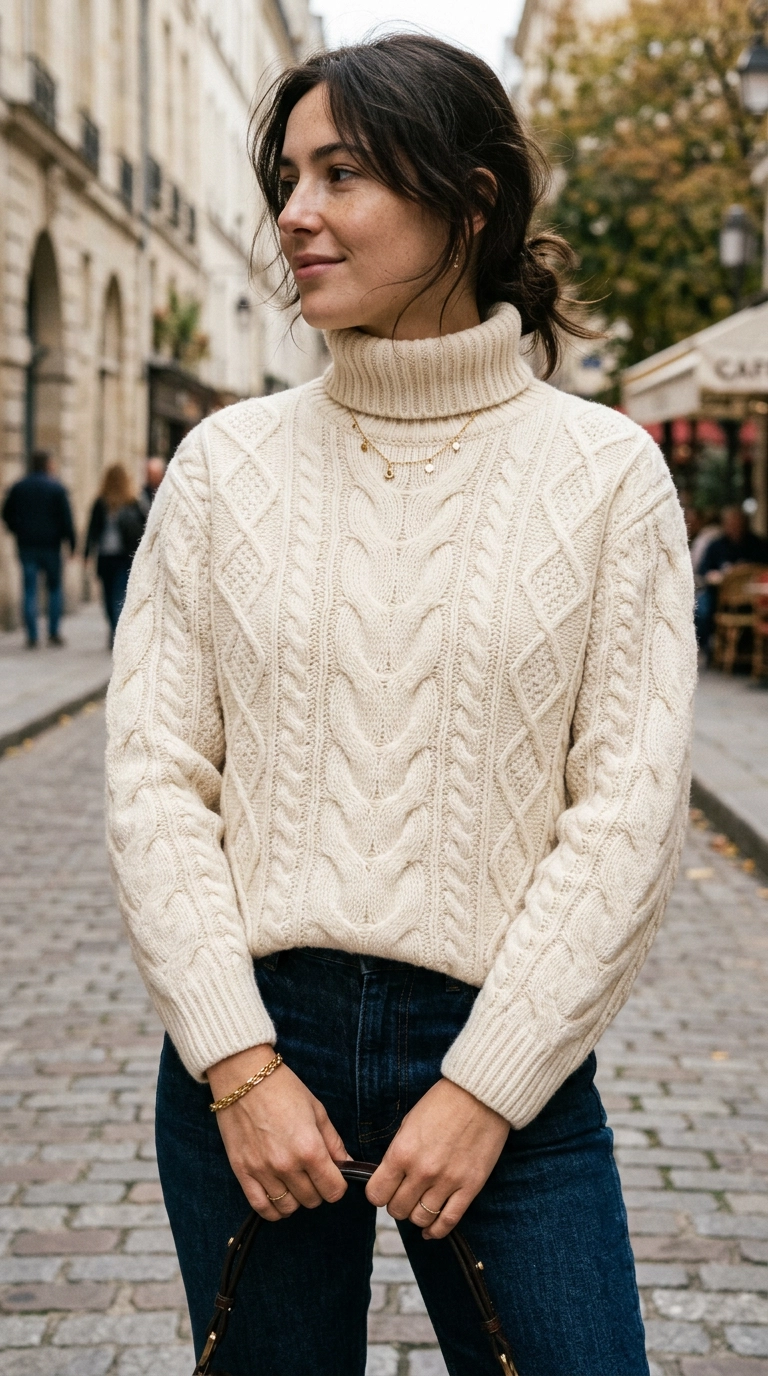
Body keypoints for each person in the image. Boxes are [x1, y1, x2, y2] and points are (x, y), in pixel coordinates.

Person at [105, 35, 696, 1376]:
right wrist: (236, 1067)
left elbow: (628, 811)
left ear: (470, 203)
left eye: (344, 174)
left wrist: (489, 1085)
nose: (294, 212)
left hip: (508, 1055)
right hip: (255, 1054)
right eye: (288, 176)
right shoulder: (221, 467)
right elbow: (153, 775)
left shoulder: (603, 478)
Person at [1, 450, 76, 648]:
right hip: (51, 546)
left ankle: (32, 634)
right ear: (48, 465)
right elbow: (67, 519)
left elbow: (6, 513)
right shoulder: (57, 488)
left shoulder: (19, 487)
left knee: (29, 589)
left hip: (27, 545)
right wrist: (72, 543)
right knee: (54, 588)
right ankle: (53, 632)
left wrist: (17, 529)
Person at [85, 464, 145, 645]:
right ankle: (115, 630)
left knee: (115, 595)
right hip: (113, 557)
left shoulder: (133, 503)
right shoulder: (103, 503)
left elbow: (144, 530)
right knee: (111, 596)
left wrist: (87, 553)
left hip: (116, 557)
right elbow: (93, 529)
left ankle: (116, 633)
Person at [696, 505, 768, 656]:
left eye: (738, 522)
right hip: (719, 594)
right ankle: (710, 649)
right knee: (701, 609)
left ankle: (749, 652)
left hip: (752, 597)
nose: (735, 526)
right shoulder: (715, 545)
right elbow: (703, 570)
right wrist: (712, 574)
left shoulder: (756, 544)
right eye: (731, 523)